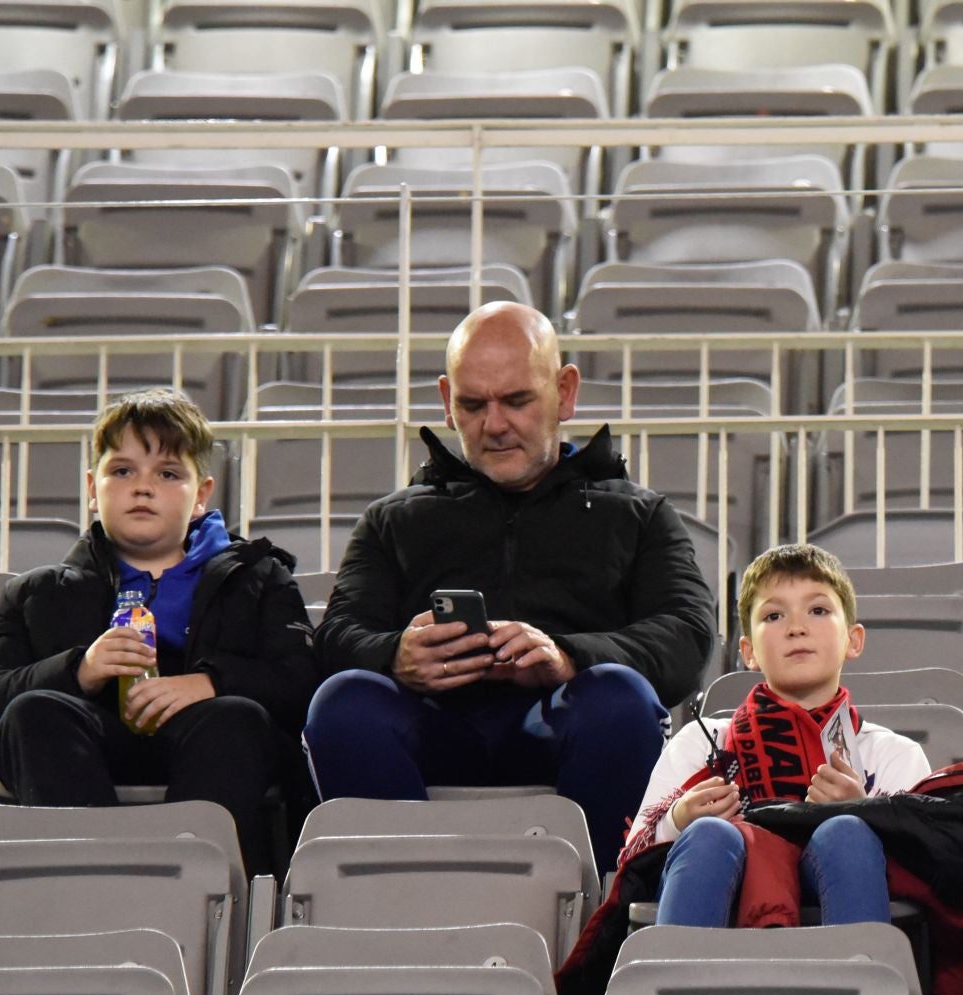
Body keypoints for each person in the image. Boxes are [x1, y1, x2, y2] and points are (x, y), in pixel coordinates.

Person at [303, 302, 714, 872]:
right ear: (447, 402)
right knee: (343, 701)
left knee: (619, 696)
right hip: (431, 727)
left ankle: (600, 920)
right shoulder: (393, 520)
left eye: (517, 400)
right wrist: (394, 656)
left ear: (564, 393)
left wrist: (570, 658)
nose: (494, 425)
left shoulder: (639, 516)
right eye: (473, 405)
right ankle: (399, 904)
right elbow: (336, 638)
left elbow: (687, 639)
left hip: (571, 724)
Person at [0, 388, 318, 877]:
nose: (142, 488)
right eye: (122, 470)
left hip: (211, 741)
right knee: (33, 711)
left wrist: (210, 683)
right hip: (88, 739)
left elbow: (301, 681)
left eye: (168, 474)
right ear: (92, 487)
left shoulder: (260, 579)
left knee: (235, 718)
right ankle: (92, 885)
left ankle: (195, 885)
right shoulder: (35, 593)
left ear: (201, 495)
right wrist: (79, 670)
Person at [623, 543, 931, 926]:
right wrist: (679, 818)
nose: (796, 627)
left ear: (853, 640)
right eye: (773, 615)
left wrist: (863, 809)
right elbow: (633, 859)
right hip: (721, 870)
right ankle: (677, 984)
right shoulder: (701, 742)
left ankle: (862, 978)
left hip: (838, 875)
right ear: (748, 651)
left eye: (818, 610)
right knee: (709, 836)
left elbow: (923, 875)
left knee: (846, 832)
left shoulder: (895, 754)